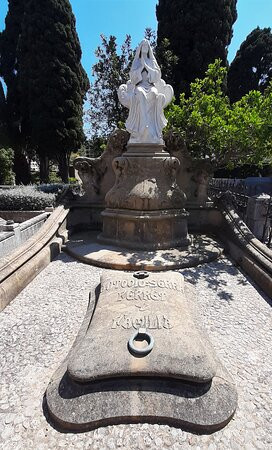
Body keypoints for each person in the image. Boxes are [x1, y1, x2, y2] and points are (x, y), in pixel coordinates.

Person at [118, 39, 173, 144]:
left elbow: (157, 76)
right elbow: (133, 78)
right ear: (140, 48)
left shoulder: (152, 61)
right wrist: (140, 68)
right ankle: (143, 127)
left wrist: (147, 67)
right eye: (143, 45)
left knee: (154, 93)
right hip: (140, 86)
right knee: (141, 94)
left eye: (146, 46)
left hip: (151, 86)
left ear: (148, 49)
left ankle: (153, 131)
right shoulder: (137, 62)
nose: (144, 47)